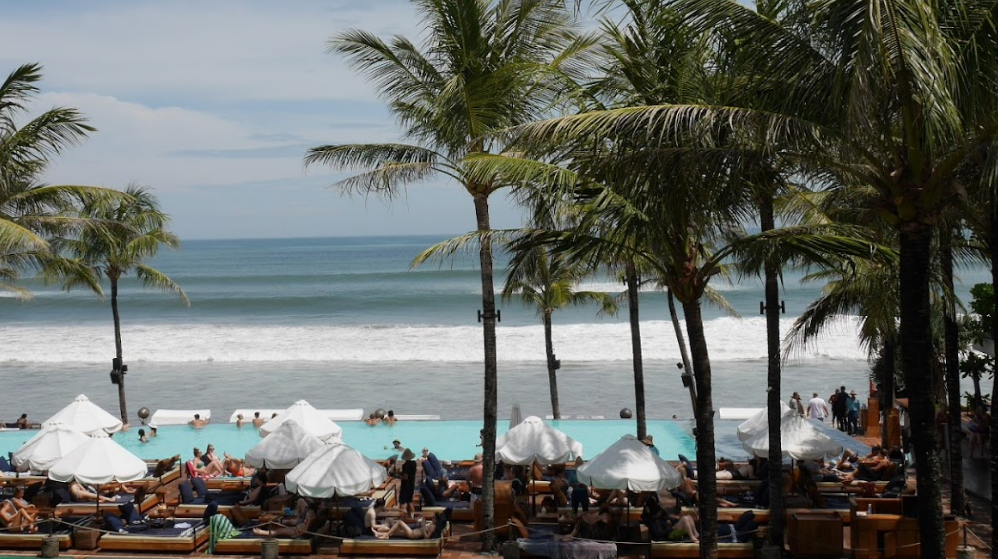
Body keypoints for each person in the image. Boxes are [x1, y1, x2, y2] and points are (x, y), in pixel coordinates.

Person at [375, 512, 445, 540]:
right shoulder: (431, 524)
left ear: (436, 520)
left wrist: (423, 527)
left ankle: (386, 535)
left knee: (400, 522)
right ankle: (379, 533)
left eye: (433, 517)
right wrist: (424, 522)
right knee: (395, 532)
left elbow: (426, 538)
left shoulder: (433, 527)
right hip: (412, 531)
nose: (432, 518)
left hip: (412, 534)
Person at [397, 448, 417, 514]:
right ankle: (412, 516)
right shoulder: (414, 463)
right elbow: (410, 474)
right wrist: (401, 473)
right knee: (409, 502)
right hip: (412, 484)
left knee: (402, 502)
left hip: (405, 486)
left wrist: (398, 476)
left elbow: (405, 477)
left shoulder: (405, 465)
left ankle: (402, 516)